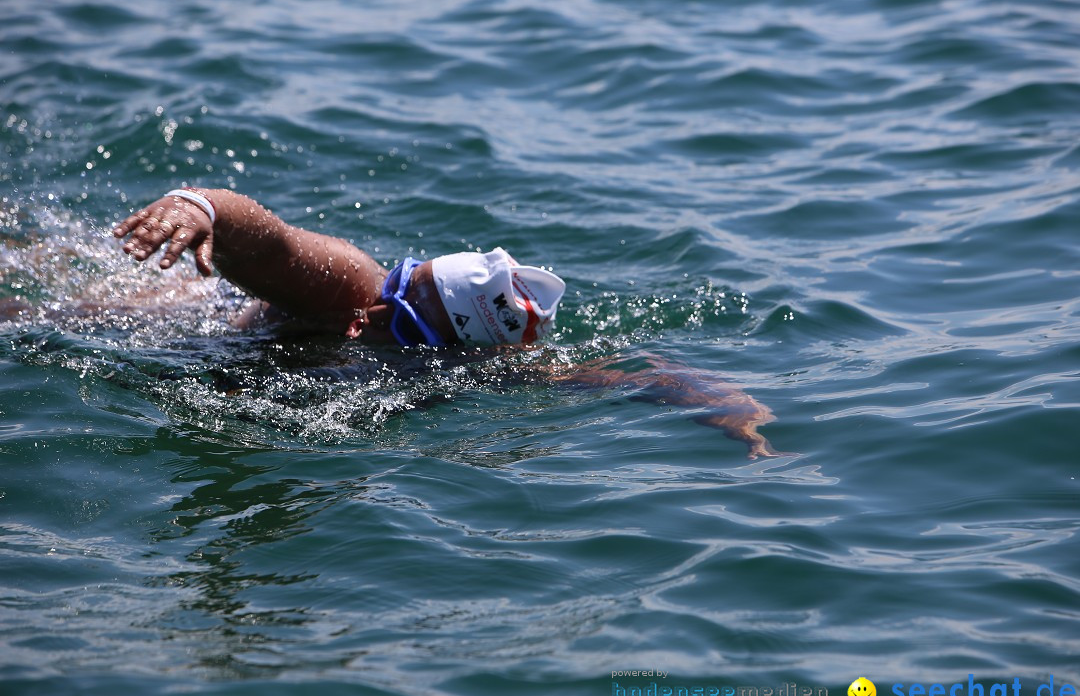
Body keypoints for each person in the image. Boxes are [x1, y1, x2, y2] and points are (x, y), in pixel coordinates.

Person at [114, 188, 780, 458]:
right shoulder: (351, 283)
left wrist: (727, 405)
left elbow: (612, 376)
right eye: (398, 284)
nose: (377, 305)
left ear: (440, 346)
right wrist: (199, 206)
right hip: (174, 318)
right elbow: (271, 243)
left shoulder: (470, 367)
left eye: (401, 314)